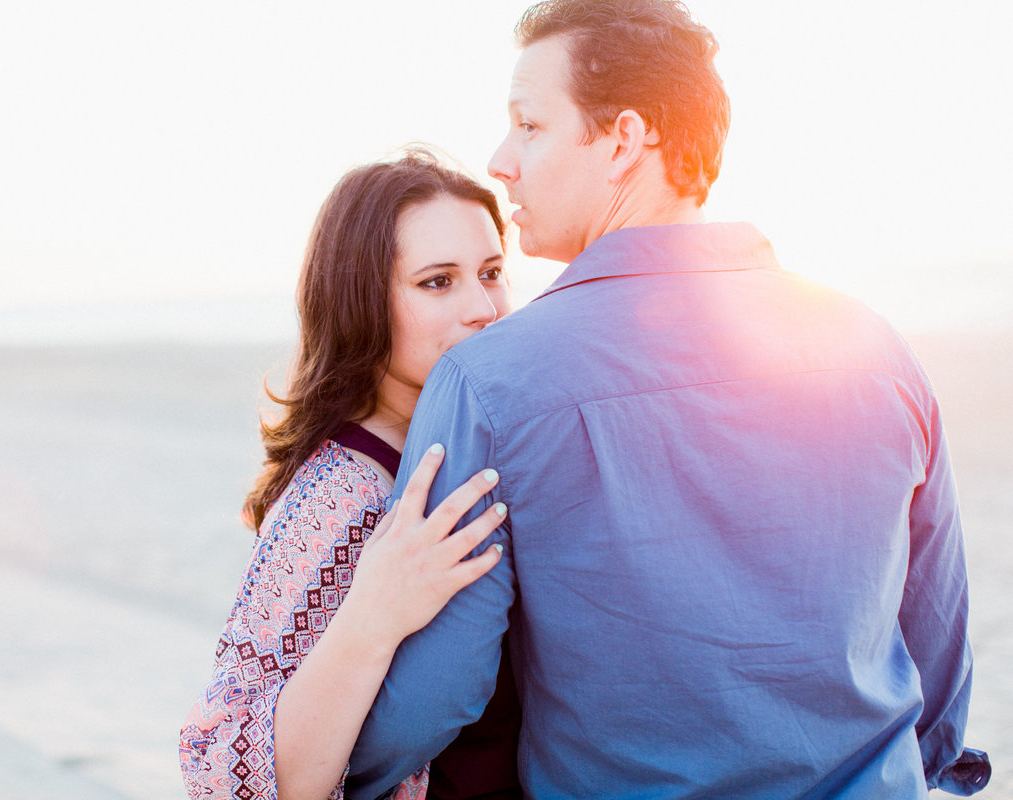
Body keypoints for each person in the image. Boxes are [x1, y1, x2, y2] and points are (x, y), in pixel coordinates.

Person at [345, 1, 990, 798]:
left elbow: (436, 698)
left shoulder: (487, 381)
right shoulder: (875, 348)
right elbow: (936, 654)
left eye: (530, 126)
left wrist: (316, 764)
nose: (501, 161)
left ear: (623, 139)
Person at [178, 150, 524, 800]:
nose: (485, 306)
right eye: (437, 282)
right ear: (363, 300)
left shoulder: (448, 443)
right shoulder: (340, 491)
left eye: (492, 272)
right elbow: (228, 777)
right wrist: (376, 610)